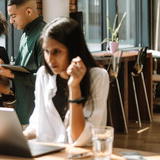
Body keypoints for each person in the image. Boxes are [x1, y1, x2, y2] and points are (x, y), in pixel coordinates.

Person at [23, 17, 109, 146]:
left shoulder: (97, 77)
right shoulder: (43, 74)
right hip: (48, 153)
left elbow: (79, 138)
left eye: (56, 52)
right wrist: (19, 137)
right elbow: (38, 123)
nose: (50, 59)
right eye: (46, 51)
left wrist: (74, 87)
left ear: (73, 50)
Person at [0, 0, 46, 126]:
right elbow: (26, 68)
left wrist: (12, 74)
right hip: (23, 111)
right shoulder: (25, 35)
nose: (11, 21)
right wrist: (6, 66)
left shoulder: (44, 35)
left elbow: (45, 78)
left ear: (28, 12)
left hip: (37, 115)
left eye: (13, 16)